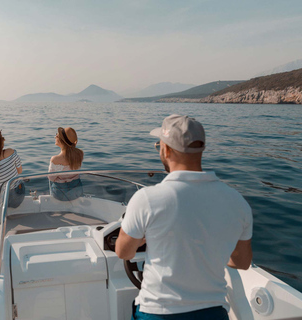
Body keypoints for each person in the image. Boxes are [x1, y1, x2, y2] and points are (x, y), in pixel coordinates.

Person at [115, 114, 253, 320]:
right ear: (202, 149)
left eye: (158, 145)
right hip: (213, 314)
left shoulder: (147, 199)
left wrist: (144, 239)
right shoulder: (238, 202)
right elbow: (242, 261)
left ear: (166, 149)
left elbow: (123, 252)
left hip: (157, 313)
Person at [48, 127, 84, 201]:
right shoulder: (80, 154)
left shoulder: (55, 159)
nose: (55, 137)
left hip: (60, 194)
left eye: (57, 135)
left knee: (50, 179)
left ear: (62, 141)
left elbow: (51, 178)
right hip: (77, 192)